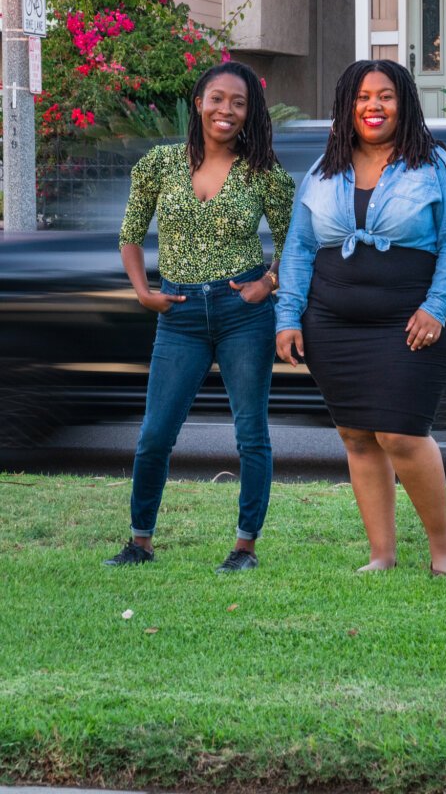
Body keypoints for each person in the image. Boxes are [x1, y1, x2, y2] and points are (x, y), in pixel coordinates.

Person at [276, 59, 446, 575]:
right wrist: (288, 317)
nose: (374, 106)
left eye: (385, 95)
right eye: (363, 97)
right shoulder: (323, 171)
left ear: (403, 102)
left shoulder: (436, 166)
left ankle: (443, 547)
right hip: (334, 326)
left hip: (413, 324)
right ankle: (382, 555)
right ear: (348, 106)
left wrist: (438, 307)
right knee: (357, 436)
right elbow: (298, 248)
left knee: (402, 435)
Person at [105, 61, 295, 571]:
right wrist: (144, 292)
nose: (226, 110)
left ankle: (244, 547)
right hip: (180, 314)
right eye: (217, 98)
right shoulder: (161, 165)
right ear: (199, 102)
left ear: (249, 111)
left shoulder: (264, 173)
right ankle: (140, 542)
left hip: (243, 314)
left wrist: (268, 283)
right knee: (155, 434)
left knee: (250, 434)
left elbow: (295, 241)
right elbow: (129, 233)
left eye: (239, 102)